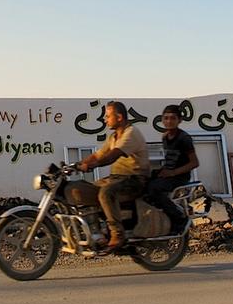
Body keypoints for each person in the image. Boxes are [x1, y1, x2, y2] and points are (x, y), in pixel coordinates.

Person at [77, 101, 150, 252]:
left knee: (106, 192)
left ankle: (117, 234)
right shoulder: (113, 137)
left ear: (119, 117)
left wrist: (92, 166)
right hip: (117, 178)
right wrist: (76, 165)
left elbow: (112, 156)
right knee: (87, 189)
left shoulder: (131, 134)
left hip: (134, 179)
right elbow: (98, 154)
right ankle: (100, 231)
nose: (105, 119)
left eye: (108, 116)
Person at [147, 104, 199, 234]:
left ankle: (179, 218)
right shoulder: (165, 137)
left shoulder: (184, 138)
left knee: (153, 189)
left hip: (179, 177)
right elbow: (170, 160)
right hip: (168, 174)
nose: (169, 121)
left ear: (179, 120)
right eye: (166, 118)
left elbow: (194, 162)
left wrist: (172, 173)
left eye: (172, 118)